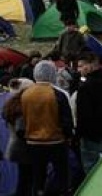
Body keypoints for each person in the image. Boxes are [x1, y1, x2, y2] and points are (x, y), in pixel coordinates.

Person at [21, 61, 73, 195]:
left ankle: (39, 192)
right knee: (61, 174)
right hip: (56, 141)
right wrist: (68, 136)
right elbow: (66, 121)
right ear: (52, 73)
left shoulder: (25, 94)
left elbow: (21, 121)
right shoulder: (58, 94)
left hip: (32, 142)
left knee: (38, 176)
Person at [3, 77, 35, 195]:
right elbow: (21, 130)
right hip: (24, 149)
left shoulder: (10, 105)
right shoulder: (22, 107)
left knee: (24, 179)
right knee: (26, 180)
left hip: (15, 147)